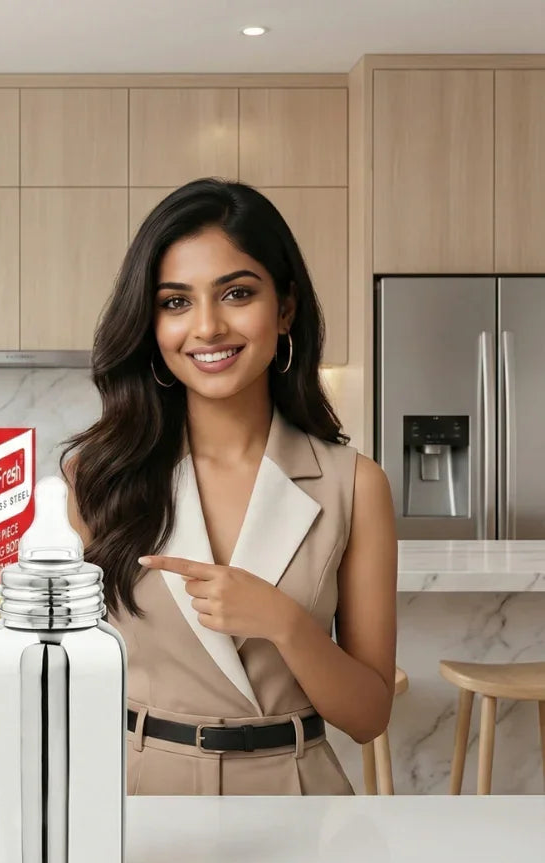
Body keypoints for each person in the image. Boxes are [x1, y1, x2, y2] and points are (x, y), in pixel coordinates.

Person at [61, 178, 397, 795]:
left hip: (297, 799)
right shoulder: (96, 478)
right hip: (139, 796)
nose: (208, 327)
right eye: (175, 302)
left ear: (286, 307)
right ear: (150, 324)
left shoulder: (355, 485)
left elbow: (369, 717)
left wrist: (286, 624)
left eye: (237, 293)